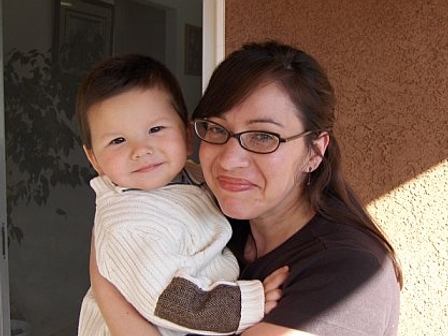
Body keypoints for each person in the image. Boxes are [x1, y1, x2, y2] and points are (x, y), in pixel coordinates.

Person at [89, 41, 403, 336]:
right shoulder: (217, 220)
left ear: (314, 152)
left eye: (264, 136)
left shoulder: (347, 273)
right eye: (216, 129)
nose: (229, 160)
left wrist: (106, 291)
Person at [75, 54, 288, 336]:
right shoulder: (127, 221)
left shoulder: (193, 177)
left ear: (188, 135)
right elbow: (167, 299)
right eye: (117, 140)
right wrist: (249, 302)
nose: (141, 150)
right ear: (94, 160)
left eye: (155, 129)